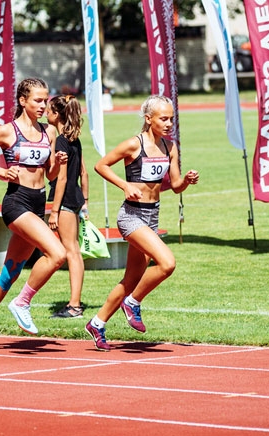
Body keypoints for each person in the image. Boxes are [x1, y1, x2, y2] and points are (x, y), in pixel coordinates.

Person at [85, 95, 199, 351]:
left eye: (171, 118)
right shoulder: (133, 145)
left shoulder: (170, 148)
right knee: (167, 263)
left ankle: (97, 322)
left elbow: (175, 186)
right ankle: (133, 303)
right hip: (131, 216)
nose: (169, 123)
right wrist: (125, 185)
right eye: (163, 118)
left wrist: (187, 181)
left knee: (131, 278)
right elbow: (100, 165)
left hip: (152, 215)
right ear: (149, 119)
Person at [0, 78, 68, 351]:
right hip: (16, 202)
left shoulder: (50, 133)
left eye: (45, 100)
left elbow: (50, 175)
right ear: (23, 101)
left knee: (10, 272)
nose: (43, 105)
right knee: (57, 254)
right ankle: (22, 302)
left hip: (37, 202)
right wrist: (2, 172)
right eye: (37, 100)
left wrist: (56, 163)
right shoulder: (6, 131)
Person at [45, 95, 89, 319]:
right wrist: (86, 201)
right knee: (74, 251)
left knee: (70, 251)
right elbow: (84, 172)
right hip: (75, 198)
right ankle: (75, 303)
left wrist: (54, 210)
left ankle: (74, 306)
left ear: (57, 114)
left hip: (64, 201)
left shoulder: (61, 140)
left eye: (48, 110)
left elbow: (60, 179)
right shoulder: (75, 139)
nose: (45, 113)